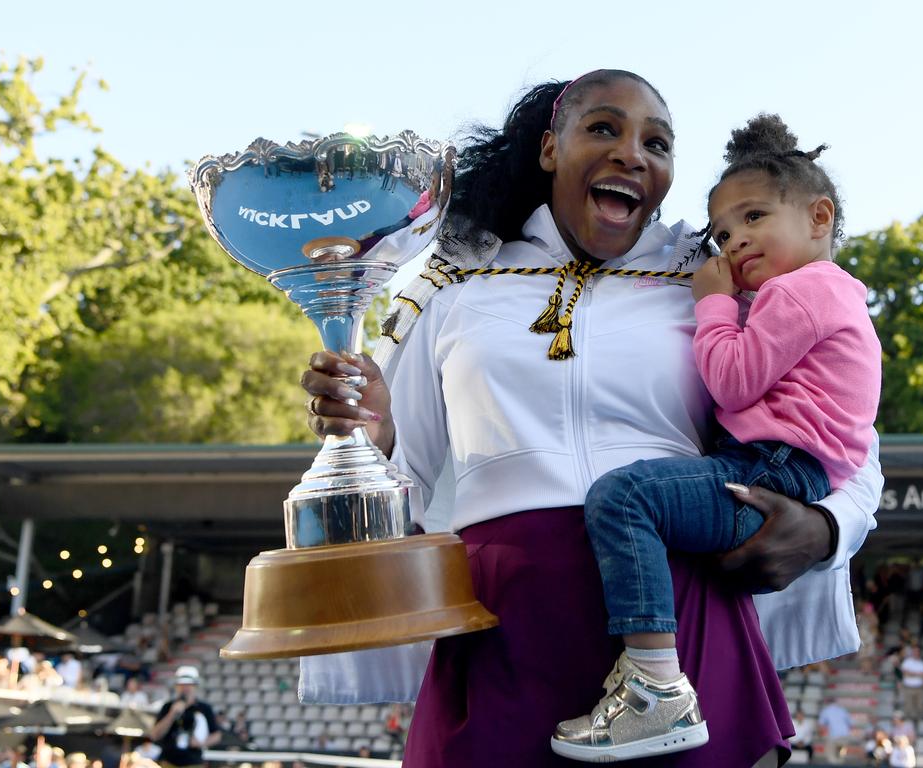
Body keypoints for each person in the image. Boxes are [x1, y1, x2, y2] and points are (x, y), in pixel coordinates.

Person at [302, 69, 882, 767]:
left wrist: (825, 528)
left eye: (658, 143)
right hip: (500, 622)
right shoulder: (455, 284)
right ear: (550, 149)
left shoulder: (717, 280)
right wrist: (370, 436)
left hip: (681, 619)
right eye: (603, 128)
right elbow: (405, 468)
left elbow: (844, 427)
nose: (632, 154)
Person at [556, 112, 880, 759]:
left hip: (771, 468)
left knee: (624, 499)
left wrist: (712, 302)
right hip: (788, 468)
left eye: (755, 219)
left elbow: (732, 381)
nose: (733, 244)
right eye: (724, 232)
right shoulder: (832, 293)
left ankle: (654, 688)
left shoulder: (798, 293)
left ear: (819, 219)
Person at [149, 666, 220, 768]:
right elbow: (155, 735)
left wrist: (201, 742)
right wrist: (172, 714)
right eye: (182, 684)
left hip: (193, 761)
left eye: (188, 685)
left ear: (195, 686)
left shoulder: (204, 708)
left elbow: (216, 735)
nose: (185, 688)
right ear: (176, 686)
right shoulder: (168, 707)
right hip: (168, 761)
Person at [818, 698, 853, 765]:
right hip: (845, 735)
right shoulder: (842, 710)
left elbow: (821, 724)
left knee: (831, 756)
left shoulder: (826, 710)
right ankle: (840, 763)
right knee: (841, 756)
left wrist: (820, 734)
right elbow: (850, 724)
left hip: (834, 736)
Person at [898, 645, 923, 721]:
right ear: (912, 652)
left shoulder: (922, 663)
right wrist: (918, 674)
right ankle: (908, 723)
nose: (916, 653)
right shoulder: (907, 662)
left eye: (917, 651)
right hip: (908, 687)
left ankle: (920, 724)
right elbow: (905, 674)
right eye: (914, 651)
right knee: (908, 706)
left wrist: (911, 673)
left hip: (919, 688)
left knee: (920, 706)